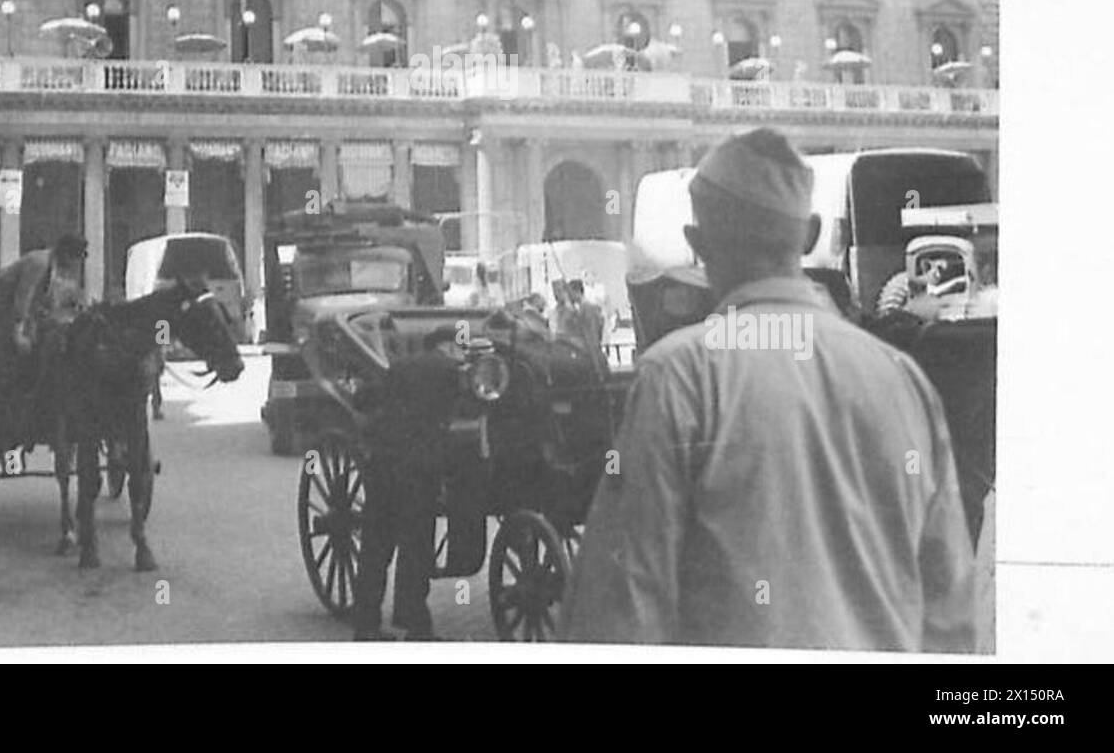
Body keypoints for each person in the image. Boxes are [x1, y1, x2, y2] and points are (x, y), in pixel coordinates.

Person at [561, 127, 976, 651]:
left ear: (696, 244)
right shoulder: (902, 379)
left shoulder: (678, 376)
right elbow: (949, 608)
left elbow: (621, 607)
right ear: (809, 236)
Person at [352, 327, 463, 641]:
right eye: (461, 347)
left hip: (384, 464)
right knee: (416, 546)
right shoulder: (451, 370)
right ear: (449, 347)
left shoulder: (401, 367)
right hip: (419, 469)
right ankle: (414, 622)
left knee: (376, 545)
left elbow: (364, 399)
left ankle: (366, 623)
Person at [0, 235, 88, 446]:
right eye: (77, 258)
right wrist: (18, 333)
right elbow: (23, 297)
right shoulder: (39, 263)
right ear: (68, 254)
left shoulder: (51, 266)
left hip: (18, 315)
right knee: (14, 355)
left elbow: (46, 300)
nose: (77, 264)